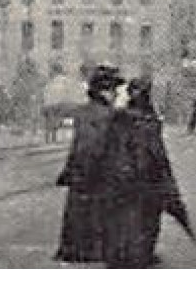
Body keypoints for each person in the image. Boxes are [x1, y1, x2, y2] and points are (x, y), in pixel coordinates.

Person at [105, 76, 186, 268]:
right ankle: (141, 255)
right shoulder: (149, 120)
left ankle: (120, 254)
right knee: (147, 217)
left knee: (123, 216)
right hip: (145, 176)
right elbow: (157, 153)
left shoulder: (120, 118)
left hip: (122, 176)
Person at [54, 65, 123, 264]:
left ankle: (75, 249)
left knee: (79, 213)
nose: (116, 94)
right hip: (99, 173)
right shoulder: (110, 115)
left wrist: (69, 169)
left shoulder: (82, 112)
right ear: (103, 91)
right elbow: (98, 146)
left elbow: (78, 146)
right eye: (113, 90)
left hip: (81, 172)